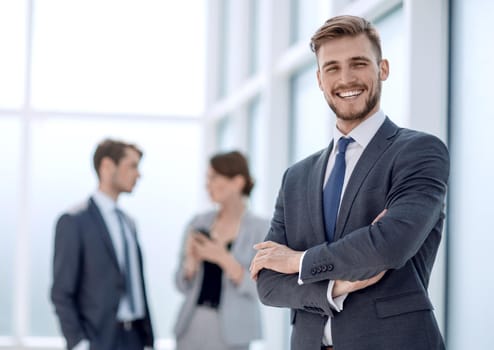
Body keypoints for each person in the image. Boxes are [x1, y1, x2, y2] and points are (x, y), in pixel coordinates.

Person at [250, 15, 449, 350]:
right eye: (332, 67)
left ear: (382, 69)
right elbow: (268, 282)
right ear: (319, 79)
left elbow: (389, 245)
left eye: (358, 63)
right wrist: (336, 286)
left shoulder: (418, 152)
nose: (345, 78)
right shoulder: (297, 177)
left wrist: (297, 261)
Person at [51, 139, 154, 350]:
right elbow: (61, 292)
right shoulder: (74, 221)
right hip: (98, 340)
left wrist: (148, 340)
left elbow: (137, 285)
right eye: (132, 166)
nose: (139, 174)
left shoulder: (129, 223)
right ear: (107, 166)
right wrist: (79, 343)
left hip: (135, 338)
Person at [174, 150, 269, 350]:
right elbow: (180, 284)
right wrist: (190, 264)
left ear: (238, 182)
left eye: (214, 177)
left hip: (234, 332)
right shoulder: (198, 223)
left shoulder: (261, 229)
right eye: (207, 178)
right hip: (192, 325)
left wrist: (223, 258)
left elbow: (264, 288)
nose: (207, 185)